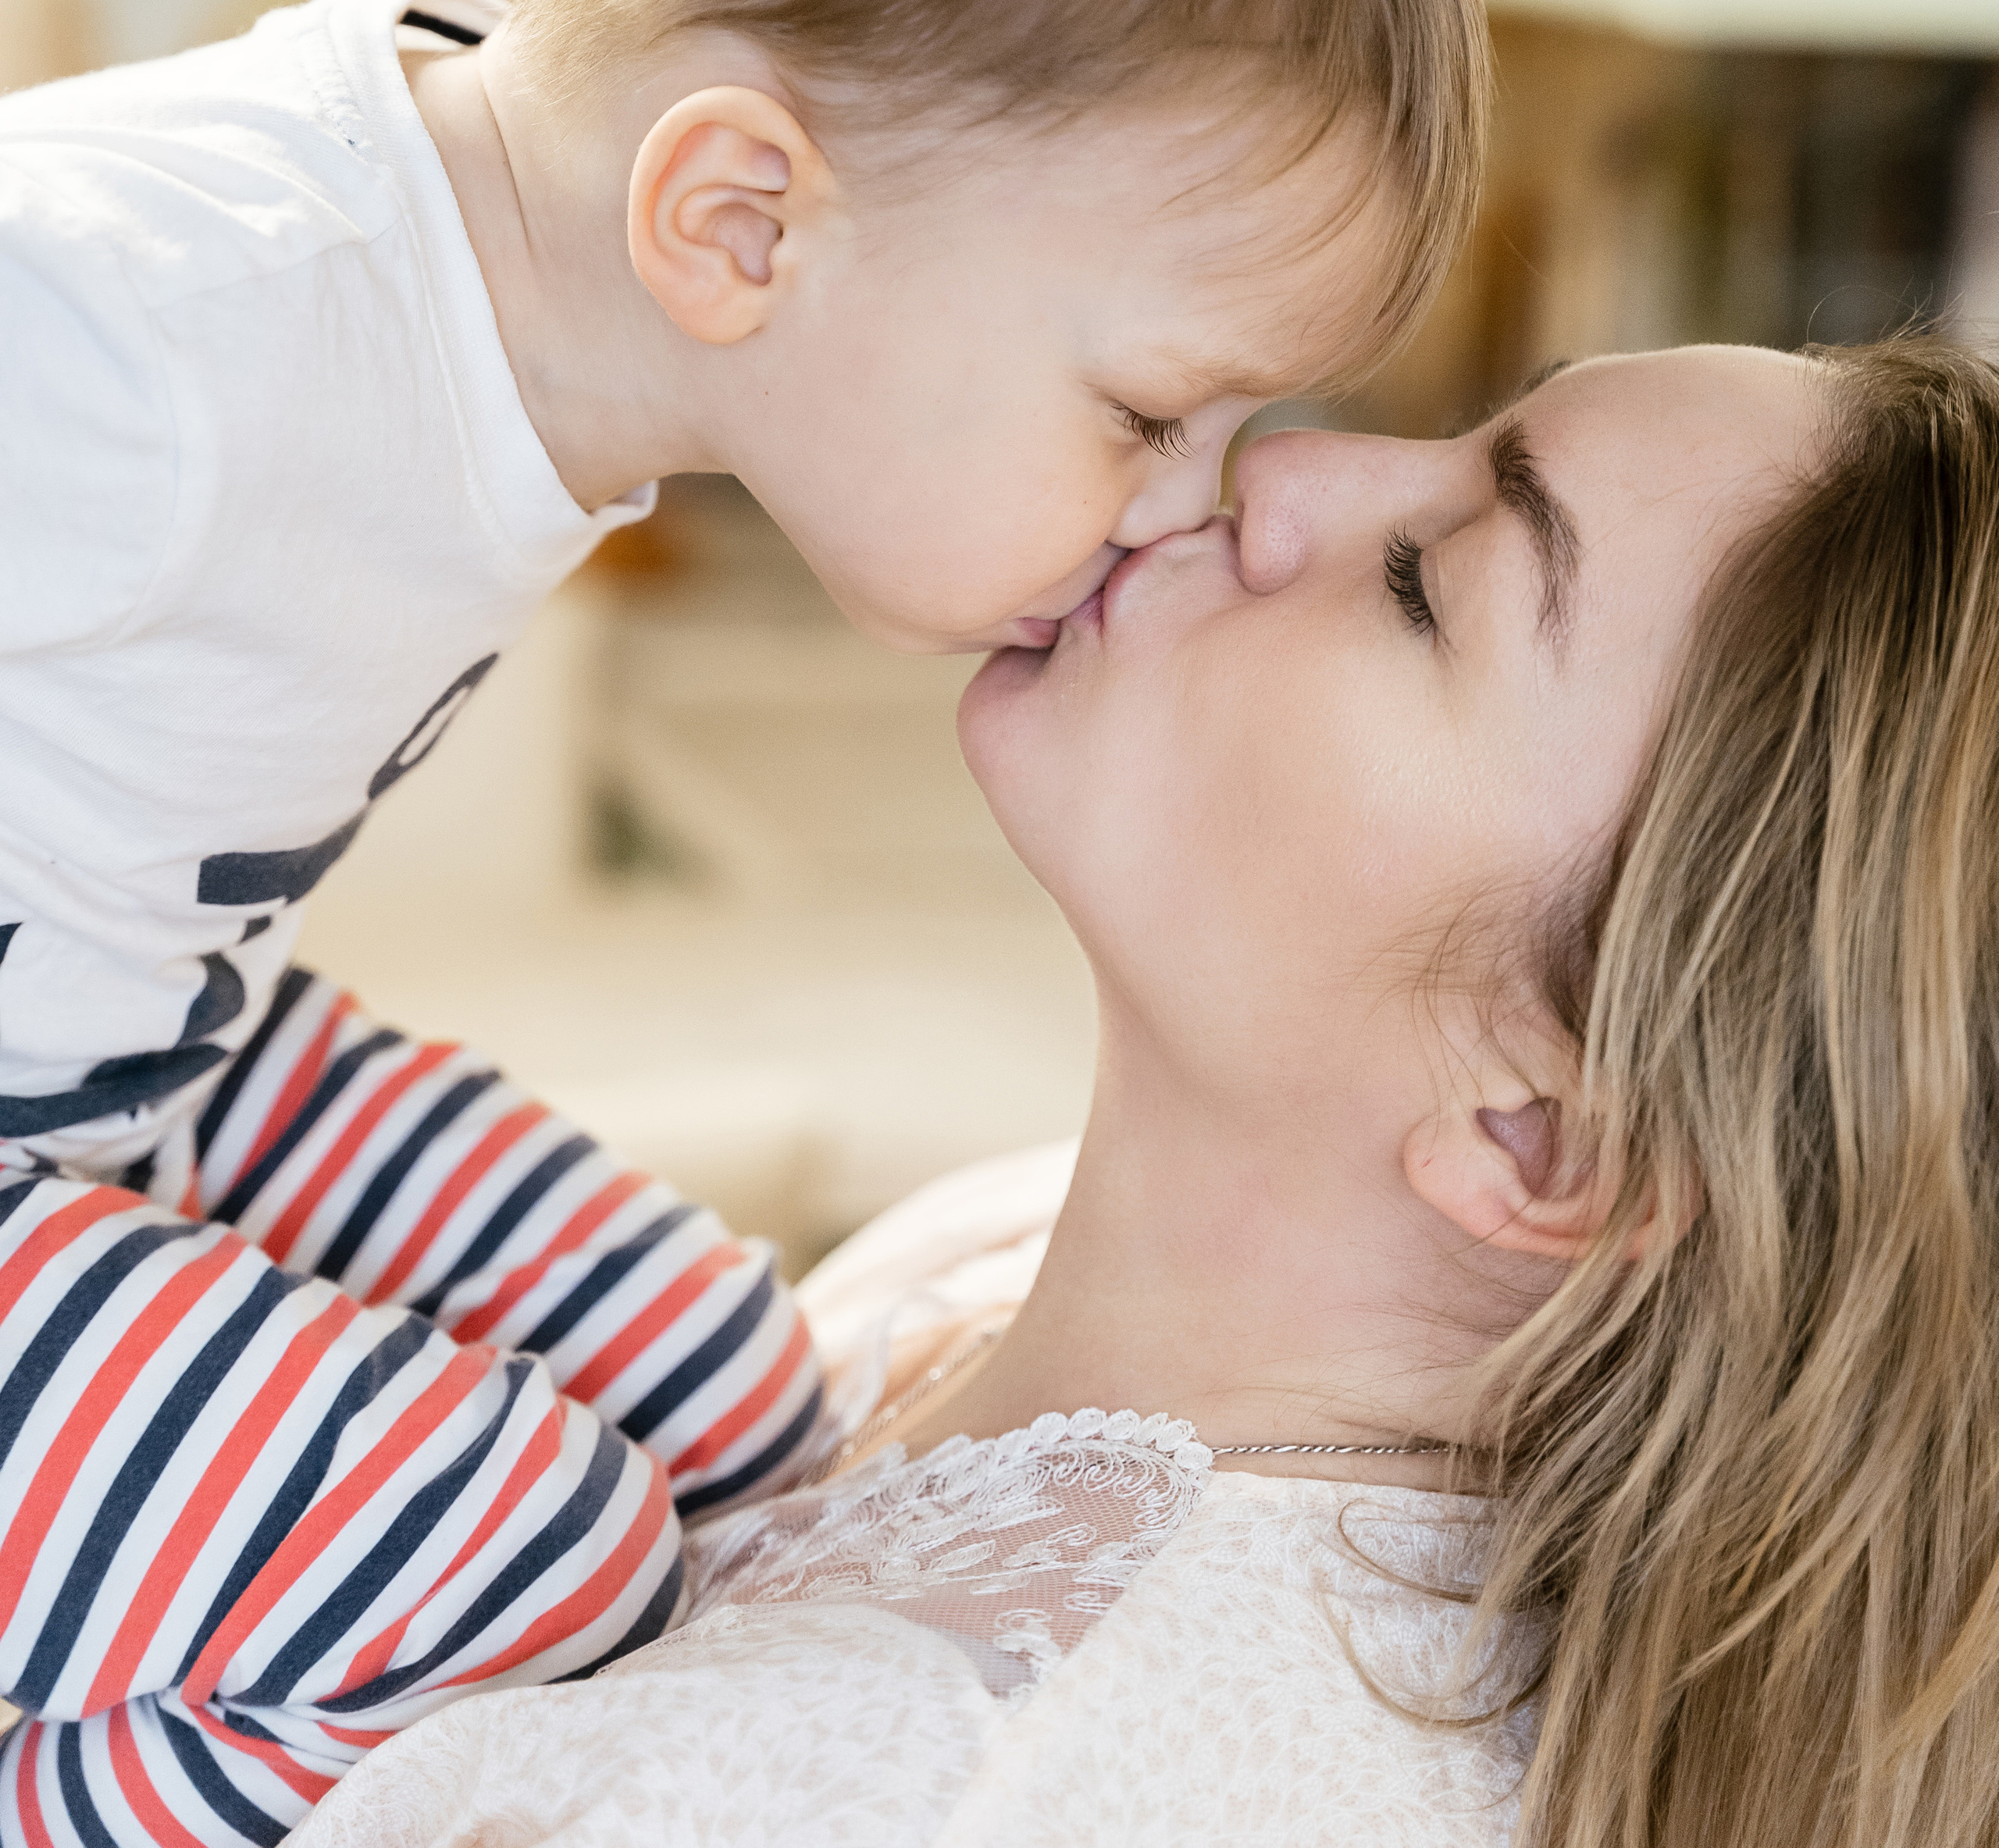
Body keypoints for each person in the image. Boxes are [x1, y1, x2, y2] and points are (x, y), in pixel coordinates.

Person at [0, 0, 1488, 1846]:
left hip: (117, 1048)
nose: (1190, 500)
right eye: (1148, 405)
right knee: (524, 1543)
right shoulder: (170, 322)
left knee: (724, 1386)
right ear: (739, 215)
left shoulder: (488, 273)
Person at [287, 334, 1999, 1848]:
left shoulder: (923, 1785)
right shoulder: (1012, 1257)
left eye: (1422, 584)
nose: (1286, 466)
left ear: (1534, 1134)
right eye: (1466, 432)